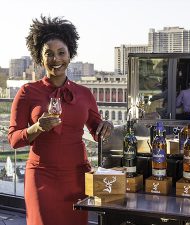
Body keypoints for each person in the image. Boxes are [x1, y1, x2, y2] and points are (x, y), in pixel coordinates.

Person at [7, 16, 113, 225]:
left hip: (76, 177)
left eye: (61, 53)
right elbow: (13, 139)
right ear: (40, 58)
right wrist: (37, 127)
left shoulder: (84, 93)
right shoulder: (27, 92)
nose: (56, 59)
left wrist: (107, 126)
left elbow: (97, 132)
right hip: (41, 176)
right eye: (49, 54)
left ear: (70, 55)